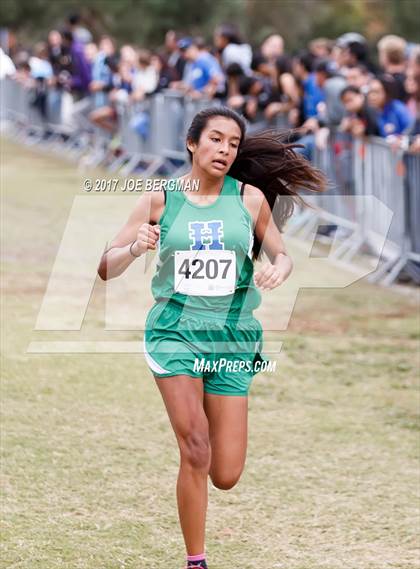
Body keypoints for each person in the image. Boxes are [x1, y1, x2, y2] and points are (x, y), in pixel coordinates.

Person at [97, 107, 326, 569]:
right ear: (192, 143)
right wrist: (134, 248)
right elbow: (105, 266)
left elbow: (282, 255)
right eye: (216, 139)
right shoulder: (159, 199)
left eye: (233, 143)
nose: (225, 149)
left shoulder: (250, 200)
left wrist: (279, 268)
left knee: (225, 473)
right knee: (195, 447)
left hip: (233, 338)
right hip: (175, 333)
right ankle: (196, 561)